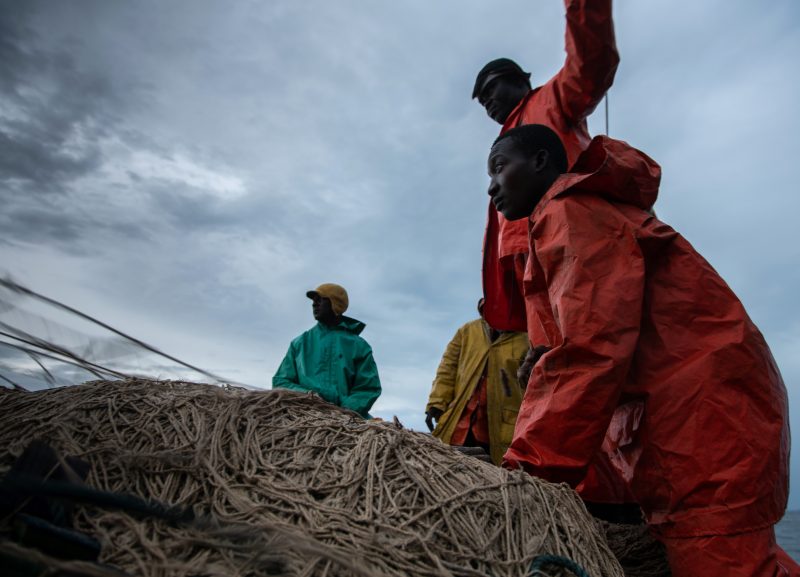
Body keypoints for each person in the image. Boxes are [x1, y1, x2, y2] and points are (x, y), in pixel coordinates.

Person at [487, 123, 797, 576]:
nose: (491, 185)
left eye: (499, 167)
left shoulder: (569, 210)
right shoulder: (568, 219)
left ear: (539, 162)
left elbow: (593, 346)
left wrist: (527, 473)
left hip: (707, 420)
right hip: (706, 415)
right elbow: (598, 328)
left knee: (721, 560)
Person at [473, 0, 619, 334]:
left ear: (520, 80)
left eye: (490, 89)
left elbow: (591, 61)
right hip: (527, 261)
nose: (487, 102)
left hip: (574, 240)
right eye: (482, 102)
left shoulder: (552, 100)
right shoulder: (504, 144)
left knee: (590, 333)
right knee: (546, 352)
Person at [425, 299, 528, 465]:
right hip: (459, 422)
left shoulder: (526, 338)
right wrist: (436, 403)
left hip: (500, 428)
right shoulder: (467, 331)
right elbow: (447, 368)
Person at [272, 283, 381, 418]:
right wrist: (309, 396)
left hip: (347, 419)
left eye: (320, 299)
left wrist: (345, 411)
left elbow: (367, 388)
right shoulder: (300, 343)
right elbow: (281, 381)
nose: (314, 304)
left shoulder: (359, 346)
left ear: (335, 304)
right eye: (313, 300)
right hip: (302, 415)